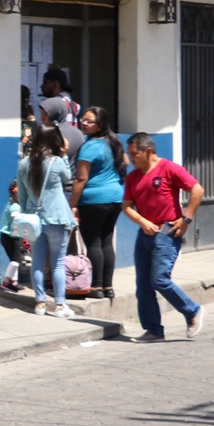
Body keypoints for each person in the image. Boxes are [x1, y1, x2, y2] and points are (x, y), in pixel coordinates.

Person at [122, 133, 206, 342]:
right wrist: (143, 222)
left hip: (168, 233)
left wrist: (186, 219)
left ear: (148, 151)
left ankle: (192, 311)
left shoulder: (168, 168)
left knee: (159, 279)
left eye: (135, 154)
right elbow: (126, 207)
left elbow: (197, 190)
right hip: (145, 235)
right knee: (143, 286)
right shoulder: (133, 177)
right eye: (129, 154)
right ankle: (153, 330)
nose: (131, 159)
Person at [18, 124, 79, 320]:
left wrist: (27, 211)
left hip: (34, 220)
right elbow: (68, 178)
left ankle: (40, 303)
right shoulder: (57, 162)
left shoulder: (24, 163)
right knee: (57, 263)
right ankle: (60, 306)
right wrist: (64, 154)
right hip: (57, 218)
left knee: (36, 262)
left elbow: (22, 193)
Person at [70, 105, 128, 300]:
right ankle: (108, 287)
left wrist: (72, 204)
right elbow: (126, 163)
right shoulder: (114, 142)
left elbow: (80, 179)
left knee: (93, 242)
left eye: (89, 121)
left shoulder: (89, 147)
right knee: (106, 241)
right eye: (82, 119)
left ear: (100, 125)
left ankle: (96, 287)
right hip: (115, 198)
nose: (83, 123)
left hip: (93, 200)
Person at [0, 181, 30, 292]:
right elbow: (15, 216)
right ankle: (6, 282)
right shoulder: (15, 206)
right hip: (11, 237)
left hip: (10, 236)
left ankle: (14, 282)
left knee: (15, 260)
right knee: (16, 261)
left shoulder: (10, 203)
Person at [39, 95, 84, 159]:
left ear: (55, 114)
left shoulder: (52, 134)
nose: (42, 118)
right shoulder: (78, 132)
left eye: (45, 114)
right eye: (41, 114)